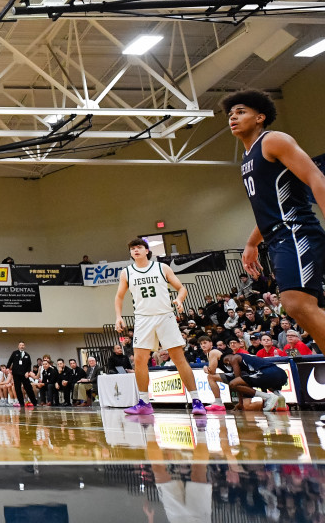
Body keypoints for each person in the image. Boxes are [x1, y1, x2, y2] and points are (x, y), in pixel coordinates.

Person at [226, 90, 325, 364]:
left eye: (241, 111)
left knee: (297, 304)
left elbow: (316, 177)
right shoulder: (247, 159)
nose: (233, 117)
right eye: (230, 114)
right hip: (278, 237)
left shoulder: (273, 140)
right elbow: (267, 209)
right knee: (300, 308)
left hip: (297, 231)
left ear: (260, 117)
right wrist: (251, 242)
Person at [115, 237, 206, 416]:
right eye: (133, 248)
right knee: (140, 360)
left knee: (179, 358)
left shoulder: (161, 267)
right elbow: (119, 297)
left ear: (147, 250)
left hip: (165, 316)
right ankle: (144, 402)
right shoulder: (126, 273)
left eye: (139, 247)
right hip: (142, 318)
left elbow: (181, 288)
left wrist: (179, 300)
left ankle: (197, 401)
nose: (136, 250)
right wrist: (118, 317)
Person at [201, 337, 288, 411]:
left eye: (205, 342)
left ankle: (269, 398)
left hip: (267, 373)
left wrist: (206, 368)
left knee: (212, 377)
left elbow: (236, 380)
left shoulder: (233, 358)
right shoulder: (240, 358)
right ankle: (278, 400)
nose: (203, 345)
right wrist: (241, 402)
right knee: (246, 406)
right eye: (201, 344)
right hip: (278, 373)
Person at [5, 342, 37, 408]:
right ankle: (21, 403)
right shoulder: (14, 353)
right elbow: (10, 361)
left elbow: (29, 365)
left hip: (24, 374)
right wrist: (8, 368)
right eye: (20, 345)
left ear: (24, 346)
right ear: (18, 346)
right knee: (17, 388)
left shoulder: (27, 355)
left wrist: (28, 372)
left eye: (23, 345)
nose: (21, 346)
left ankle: (34, 402)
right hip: (16, 374)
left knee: (28, 388)